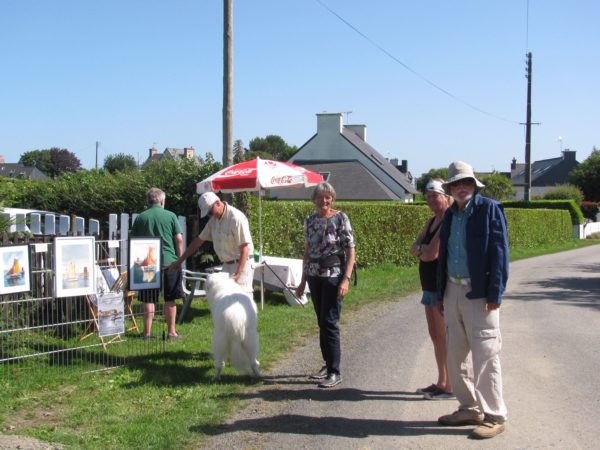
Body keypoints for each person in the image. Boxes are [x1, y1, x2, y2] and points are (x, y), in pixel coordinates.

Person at [436, 161, 509, 439]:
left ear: (474, 185)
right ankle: (469, 408)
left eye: (466, 182)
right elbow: (444, 256)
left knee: (486, 355)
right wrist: (442, 293)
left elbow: (500, 253)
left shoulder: (489, 209)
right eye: (456, 184)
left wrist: (495, 292)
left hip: (480, 294)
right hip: (452, 291)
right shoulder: (451, 215)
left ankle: (494, 415)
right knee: (455, 355)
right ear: (451, 189)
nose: (461, 187)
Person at [295, 182, 356, 389]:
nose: (324, 201)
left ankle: (334, 371)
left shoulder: (341, 218)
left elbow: (350, 251)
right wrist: (302, 281)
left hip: (333, 276)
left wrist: (346, 279)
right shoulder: (310, 220)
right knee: (321, 321)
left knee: (330, 322)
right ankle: (327, 363)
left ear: (333, 199)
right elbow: (308, 249)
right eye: (320, 197)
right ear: (314, 200)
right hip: (314, 275)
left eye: (328, 197)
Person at [410, 178, 454, 400]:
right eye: (427, 196)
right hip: (428, 287)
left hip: (440, 287)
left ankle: (450, 386)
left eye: (435, 196)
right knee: (435, 335)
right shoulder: (431, 222)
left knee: (444, 336)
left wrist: (421, 249)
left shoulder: (447, 220)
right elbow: (414, 248)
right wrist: (420, 249)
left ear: (445, 197)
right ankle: (441, 381)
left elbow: (430, 254)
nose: (431, 200)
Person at [167, 192, 254, 294]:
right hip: (227, 264)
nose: (209, 215)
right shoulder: (213, 220)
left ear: (218, 203)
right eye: (208, 213)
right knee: (226, 298)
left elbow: (245, 248)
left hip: (242, 264)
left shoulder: (236, 218)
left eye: (210, 212)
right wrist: (179, 261)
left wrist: (238, 273)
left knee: (243, 298)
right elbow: (198, 241)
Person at [131, 187, 184, 339]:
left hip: (149, 263)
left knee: (148, 298)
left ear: (148, 201)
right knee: (170, 298)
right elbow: (179, 239)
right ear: (162, 201)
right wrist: (179, 259)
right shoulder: (171, 215)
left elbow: (133, 241)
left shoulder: (141, 217)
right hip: (169, 261)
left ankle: (147, 333)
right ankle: (171, 332)